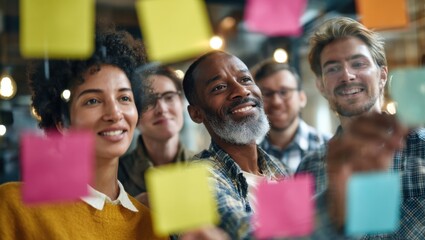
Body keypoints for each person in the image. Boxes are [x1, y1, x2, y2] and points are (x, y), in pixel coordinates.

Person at [0, 29, 227, 240]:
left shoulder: (151, 224)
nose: (114, 113)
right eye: (93, 101)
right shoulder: (13, 206)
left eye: (124, 98)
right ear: (63, 123)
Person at [297, 17, 425, 239]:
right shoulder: (308, 169)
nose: (347, 75)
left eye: (358, 64)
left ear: (382, 75)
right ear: (321, 85)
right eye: (333, 68)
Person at [182, 50, 289, 239]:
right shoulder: (194, 179)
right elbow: (244, 233)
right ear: (196, 113)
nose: (241, 91)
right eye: (219, 87)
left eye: (245, 79)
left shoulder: (278, 168)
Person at [118, 66, 195, 203]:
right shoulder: (116, 175)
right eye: (149, 101)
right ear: (134, 113)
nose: (162, 109)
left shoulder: (207, 167)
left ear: (182, 102)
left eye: (169, 97)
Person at [251, 60, 331, 173]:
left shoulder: (330, 148)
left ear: (302, 98)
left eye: (284, 92)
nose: (276, 102)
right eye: (267, 94)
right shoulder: (250, 154)